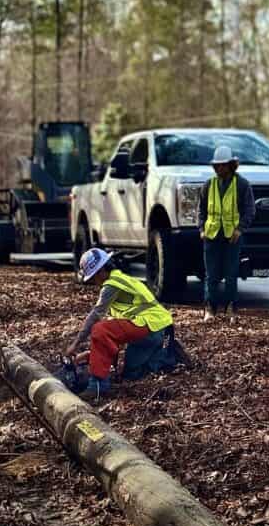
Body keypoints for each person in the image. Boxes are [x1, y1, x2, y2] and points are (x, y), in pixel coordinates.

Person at [66, 247, 178, 401]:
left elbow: (95, 316)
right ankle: (167, 356)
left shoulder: (111, 285)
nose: (93, 282)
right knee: (131, 374)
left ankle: (97, 386)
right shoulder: (120, 280)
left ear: (100, 271)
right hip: (156, 328)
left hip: (152, 326)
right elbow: (114, 334)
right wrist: (93, 356)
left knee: (100, 328)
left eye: (93, 277)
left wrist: (76, 343)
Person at [198, 144, 255, 323]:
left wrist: (240, 229)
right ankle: (210, 308)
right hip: (211, 235)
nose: (219, 168)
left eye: (222, 165)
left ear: (231, 165)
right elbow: (201, 210)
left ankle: (231, 308)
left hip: (232, 236)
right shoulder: (209, 184)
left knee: (231, 274)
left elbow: (250, 210)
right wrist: (201, 229)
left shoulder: (242, 185)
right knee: (211, 275)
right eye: (216, 165)